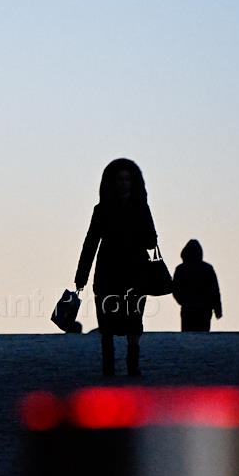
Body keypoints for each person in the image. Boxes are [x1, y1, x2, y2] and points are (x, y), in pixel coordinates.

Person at [75, 158, 158, 378]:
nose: (123, 183)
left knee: (134, 319)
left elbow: (151, 240)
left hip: (134, 272)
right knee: (107, 322)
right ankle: (109, 366)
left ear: (133, 182)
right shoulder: (102, 210)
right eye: (119, 179)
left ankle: (132, 364)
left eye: (127, 179)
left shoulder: (140, 208)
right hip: (108, 272)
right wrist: (81, 275)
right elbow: (90, 242)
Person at [172, 239, 222, 332]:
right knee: (203, 337)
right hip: (204, 310)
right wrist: (218, 309)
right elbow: (215, 291)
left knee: (187, 337)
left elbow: (175, 290)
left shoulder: (181, 269)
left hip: (188, 310)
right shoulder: (207, 269)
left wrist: (184, 302)